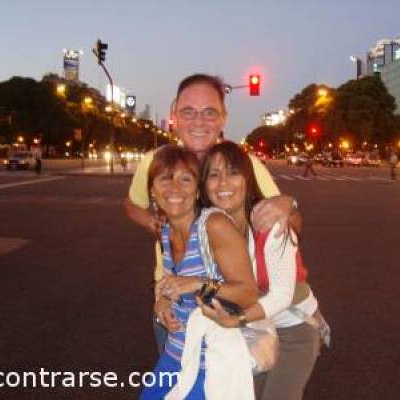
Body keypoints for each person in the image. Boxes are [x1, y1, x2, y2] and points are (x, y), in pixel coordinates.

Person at [124, 74, 302, 353]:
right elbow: (131, 204)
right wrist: (152, 221)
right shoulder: (155, 162)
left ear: (223, 118)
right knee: (174, 380)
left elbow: (290, 225)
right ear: (175, 117)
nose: (198, 121)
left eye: (209, 113)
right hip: (171, 296)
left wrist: (287, 205)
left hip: (228, 299)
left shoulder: (244, 164)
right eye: (188, 112)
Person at [199, 141, 325, 400]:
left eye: (233, 173)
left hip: (294, 330)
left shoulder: (268, 222)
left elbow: (280, 295)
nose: (223, 183)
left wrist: (238, 319)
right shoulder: (209, 225)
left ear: (247, 179)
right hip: (255, 331)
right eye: (214, 174)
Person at [139, 145, 258, 399]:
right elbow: (173, 285)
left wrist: (196, 283)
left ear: (197, 189)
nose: (175, 189)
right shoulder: (165, 229)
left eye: (185, 179)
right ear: (152, 190)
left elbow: (248, 293)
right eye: (165, 179)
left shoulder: (213, 226)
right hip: (173, 357)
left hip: (211, 364)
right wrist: (162, 304)